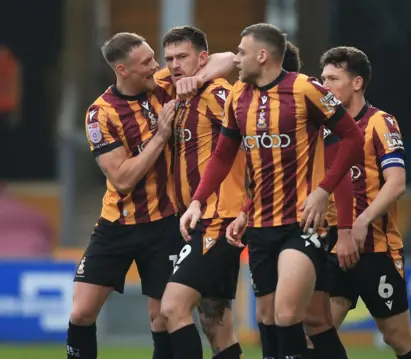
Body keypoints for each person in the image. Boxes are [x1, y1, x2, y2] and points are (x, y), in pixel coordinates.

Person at [180, 23, 364, 359]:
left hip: (301, 225)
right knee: (268, 317)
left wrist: (323, 191)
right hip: (260, 227)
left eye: (241, 52)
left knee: (288, 314)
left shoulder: (305, 90)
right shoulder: (238, 96)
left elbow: (352, 138)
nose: (236, 59)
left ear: (262, 55)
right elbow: (222, 155)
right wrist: (197, 201)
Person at [67, 32, 180, 359]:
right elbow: (122, 178)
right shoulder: (100, 114)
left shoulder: (161, 85)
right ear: (122, 70)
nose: (156, 66)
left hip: (164, 223)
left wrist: (196, 77)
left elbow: (224, 59)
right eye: (146, 62)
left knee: (163, 317)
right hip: (118, 223)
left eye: (152, 58)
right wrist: (160, 137)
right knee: (81, 312)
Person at [320, 46, 411, 359]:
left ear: (356, 83)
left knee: (397, 337)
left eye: (332, 79)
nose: (323, 86)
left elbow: (396, 183)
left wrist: (363, 221)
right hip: (333, 246)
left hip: (375, 248)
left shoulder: (380, 123)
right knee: (318, 331)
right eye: (322, 78)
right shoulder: (321, 128)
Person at [153, 26, 244, 359]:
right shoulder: (176, 91)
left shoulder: (218, 94)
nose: (175, 65)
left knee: (172, 307)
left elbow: (247, 142)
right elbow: (227, 58)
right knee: (215, 323)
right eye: (170, 59)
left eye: (183, 57)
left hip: (218, 218)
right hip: (194, 220)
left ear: (202, 58)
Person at [281, 40, 354, 359]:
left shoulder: (310, 114)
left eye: (331, 79)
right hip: (286, 224)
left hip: (322, 230)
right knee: (313, 320)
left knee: (287, 317)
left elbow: (342, 173)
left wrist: (348, 229)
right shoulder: (255, 109)